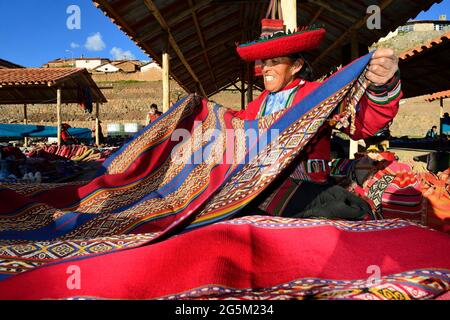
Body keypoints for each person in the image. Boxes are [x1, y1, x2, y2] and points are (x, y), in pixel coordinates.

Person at [234, 24, 402, 220]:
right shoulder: (258, 104)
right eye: (264, 63)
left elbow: (362, 123)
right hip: (263, 188)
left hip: (310, 188)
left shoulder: (318, 94)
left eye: (274, 62)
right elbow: (236, 127)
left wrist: (382, 84)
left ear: (296, 66)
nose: (266, 69)